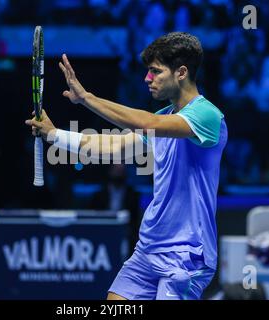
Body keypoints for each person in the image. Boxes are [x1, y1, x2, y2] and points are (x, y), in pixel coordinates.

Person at [26, 32, 228, 300]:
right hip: (148, 248)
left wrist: (87, 98)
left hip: (186, 255)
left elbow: (147, 124)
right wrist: (54, 135)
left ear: (181, 72)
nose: (147, 78)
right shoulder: (163, 117)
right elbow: (111, 147)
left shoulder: (207, 115)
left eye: (156, 72)